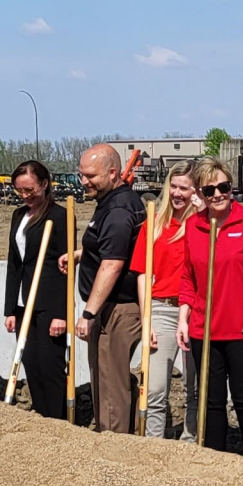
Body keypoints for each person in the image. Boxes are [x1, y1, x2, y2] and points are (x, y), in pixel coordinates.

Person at [180, 157, 243, 454]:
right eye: (209, 190)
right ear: (200, 194)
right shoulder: (193, 226)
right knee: (210, 398)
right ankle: (214, 458)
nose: (217, 194)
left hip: (242, 328)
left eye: (223, 187)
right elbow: (188, 277)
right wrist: (183, 319)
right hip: (204, 329)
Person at [74, 143, 148, 433]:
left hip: (116, 309)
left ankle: (114, 449)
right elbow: (113, 251)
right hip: (110, 306)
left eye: (90, 176)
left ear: (113, 172)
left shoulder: (118, 209)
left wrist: (89, 314)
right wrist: (81, 255)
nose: (84, 182)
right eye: (81, 175)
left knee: (110, 383)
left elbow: (113, 264)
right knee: (106, 379)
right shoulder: (111, 203)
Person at [3, 160, 73, 419]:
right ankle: (40, 420)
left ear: (44, 184)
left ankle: (56, 421)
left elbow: (65, 269)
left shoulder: (60, 215)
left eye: (30, 190)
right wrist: (10, 308)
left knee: (50, 365)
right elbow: (14, 264)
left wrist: (61, 313)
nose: (24, 196)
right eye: (19, 191)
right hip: (23, 302)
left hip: (49, 303)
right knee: (30, 363)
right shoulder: (18, 215)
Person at [135, 168, 197, 439]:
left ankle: (191, 443)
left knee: (194, 387)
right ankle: (154, 447)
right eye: (174, 186)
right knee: (155, 387)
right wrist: (146, 317)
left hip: (195, 311)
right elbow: (142, 274)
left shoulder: (204, 225)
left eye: (184, 188)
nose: (177, 193)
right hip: (161, 307)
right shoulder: (155, 223)